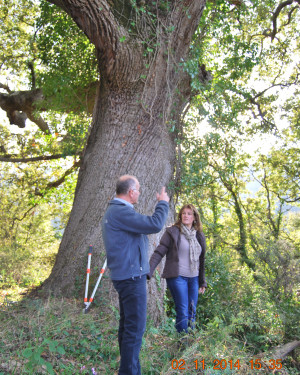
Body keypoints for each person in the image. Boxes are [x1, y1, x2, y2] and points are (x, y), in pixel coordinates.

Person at [102, 175, 169, 375]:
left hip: (127, 277)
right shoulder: (120, 212)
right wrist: (162, 204)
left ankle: (130, 370)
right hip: (131, 279)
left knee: (128, 327)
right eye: (138, 190)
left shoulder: (117, 212)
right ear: (131, 192)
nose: (139, 193)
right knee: (134, 330)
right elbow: (155, 224)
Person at [148, 204, 207, 334]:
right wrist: (149, 270)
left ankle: (190, 342)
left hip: (194, 278)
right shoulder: (172, 232)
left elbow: (201, 260)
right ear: (180, 216)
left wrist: (202, 281)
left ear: (194, 217)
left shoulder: (199, 235)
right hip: (177, 277)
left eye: (189, 213)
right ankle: (182, 343)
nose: (186, 216)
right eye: (183, 213)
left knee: (192, 311)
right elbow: (159, 251)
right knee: (183, 310)